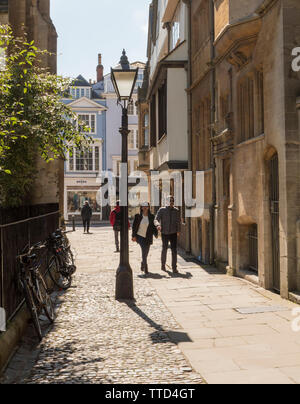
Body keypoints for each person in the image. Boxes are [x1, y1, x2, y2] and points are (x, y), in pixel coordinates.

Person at [155, 196, 181, 274]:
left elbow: (178, 221)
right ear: (166, 202)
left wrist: (178, 230)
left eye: (172, 201)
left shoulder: (176, 210)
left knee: (174, 250)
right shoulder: (162, 210)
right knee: (164, 249)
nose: (171, 202)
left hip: (173, 233)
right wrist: (158, 225)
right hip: (165, 233)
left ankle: (174, 267)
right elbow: (156, 219)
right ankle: (163, 265)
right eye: (170, 201)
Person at [132, 202, 158, 275]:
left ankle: (143, 262)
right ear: (141, 208)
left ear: (148, 207)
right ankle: (146, 268)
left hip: (148, 237)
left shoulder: (152, 217)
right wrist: (133, 236)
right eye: (143, 206)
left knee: (146, 252)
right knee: (144, 251)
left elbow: (154, 226)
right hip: (140, 236)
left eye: (146, 206)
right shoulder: (137, 216)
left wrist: (156, 232)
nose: (145, 208)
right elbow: (134, 227)